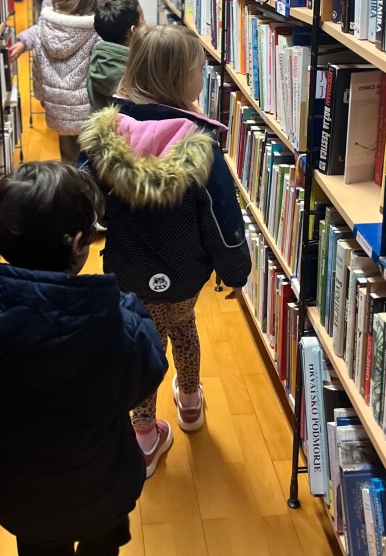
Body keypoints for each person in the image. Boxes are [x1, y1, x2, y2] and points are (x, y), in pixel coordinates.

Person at [0, 162, 168, 556]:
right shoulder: (112, 319)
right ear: (78, 243)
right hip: (103, 488)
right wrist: (129, 307)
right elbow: (148, 371)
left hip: (22, 498)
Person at [78, 24, 252, 475]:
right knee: (183, 328)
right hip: (185, 273)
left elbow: (80, 195)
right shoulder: (200, 146)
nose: (201, 79)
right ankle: (190, 402)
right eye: (198, 71)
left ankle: (144, 437)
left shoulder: (105, 136)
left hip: (128, 271)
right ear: (182, 80)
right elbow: (223, 218)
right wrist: (235, 272)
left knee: (142, 345)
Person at [33, 0, 100, 163]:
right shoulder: (95, 28)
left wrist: (41, 95)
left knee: (68, 158)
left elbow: (37, 62)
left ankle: (69, 181)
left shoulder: (45, 23)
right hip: (87, 108)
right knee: (92, 161)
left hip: (57, 104)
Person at [87, 0, 144, 113]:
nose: (146, 25)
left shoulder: (97, 59)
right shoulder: (137, 71)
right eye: (143, 18)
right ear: (133, 31)